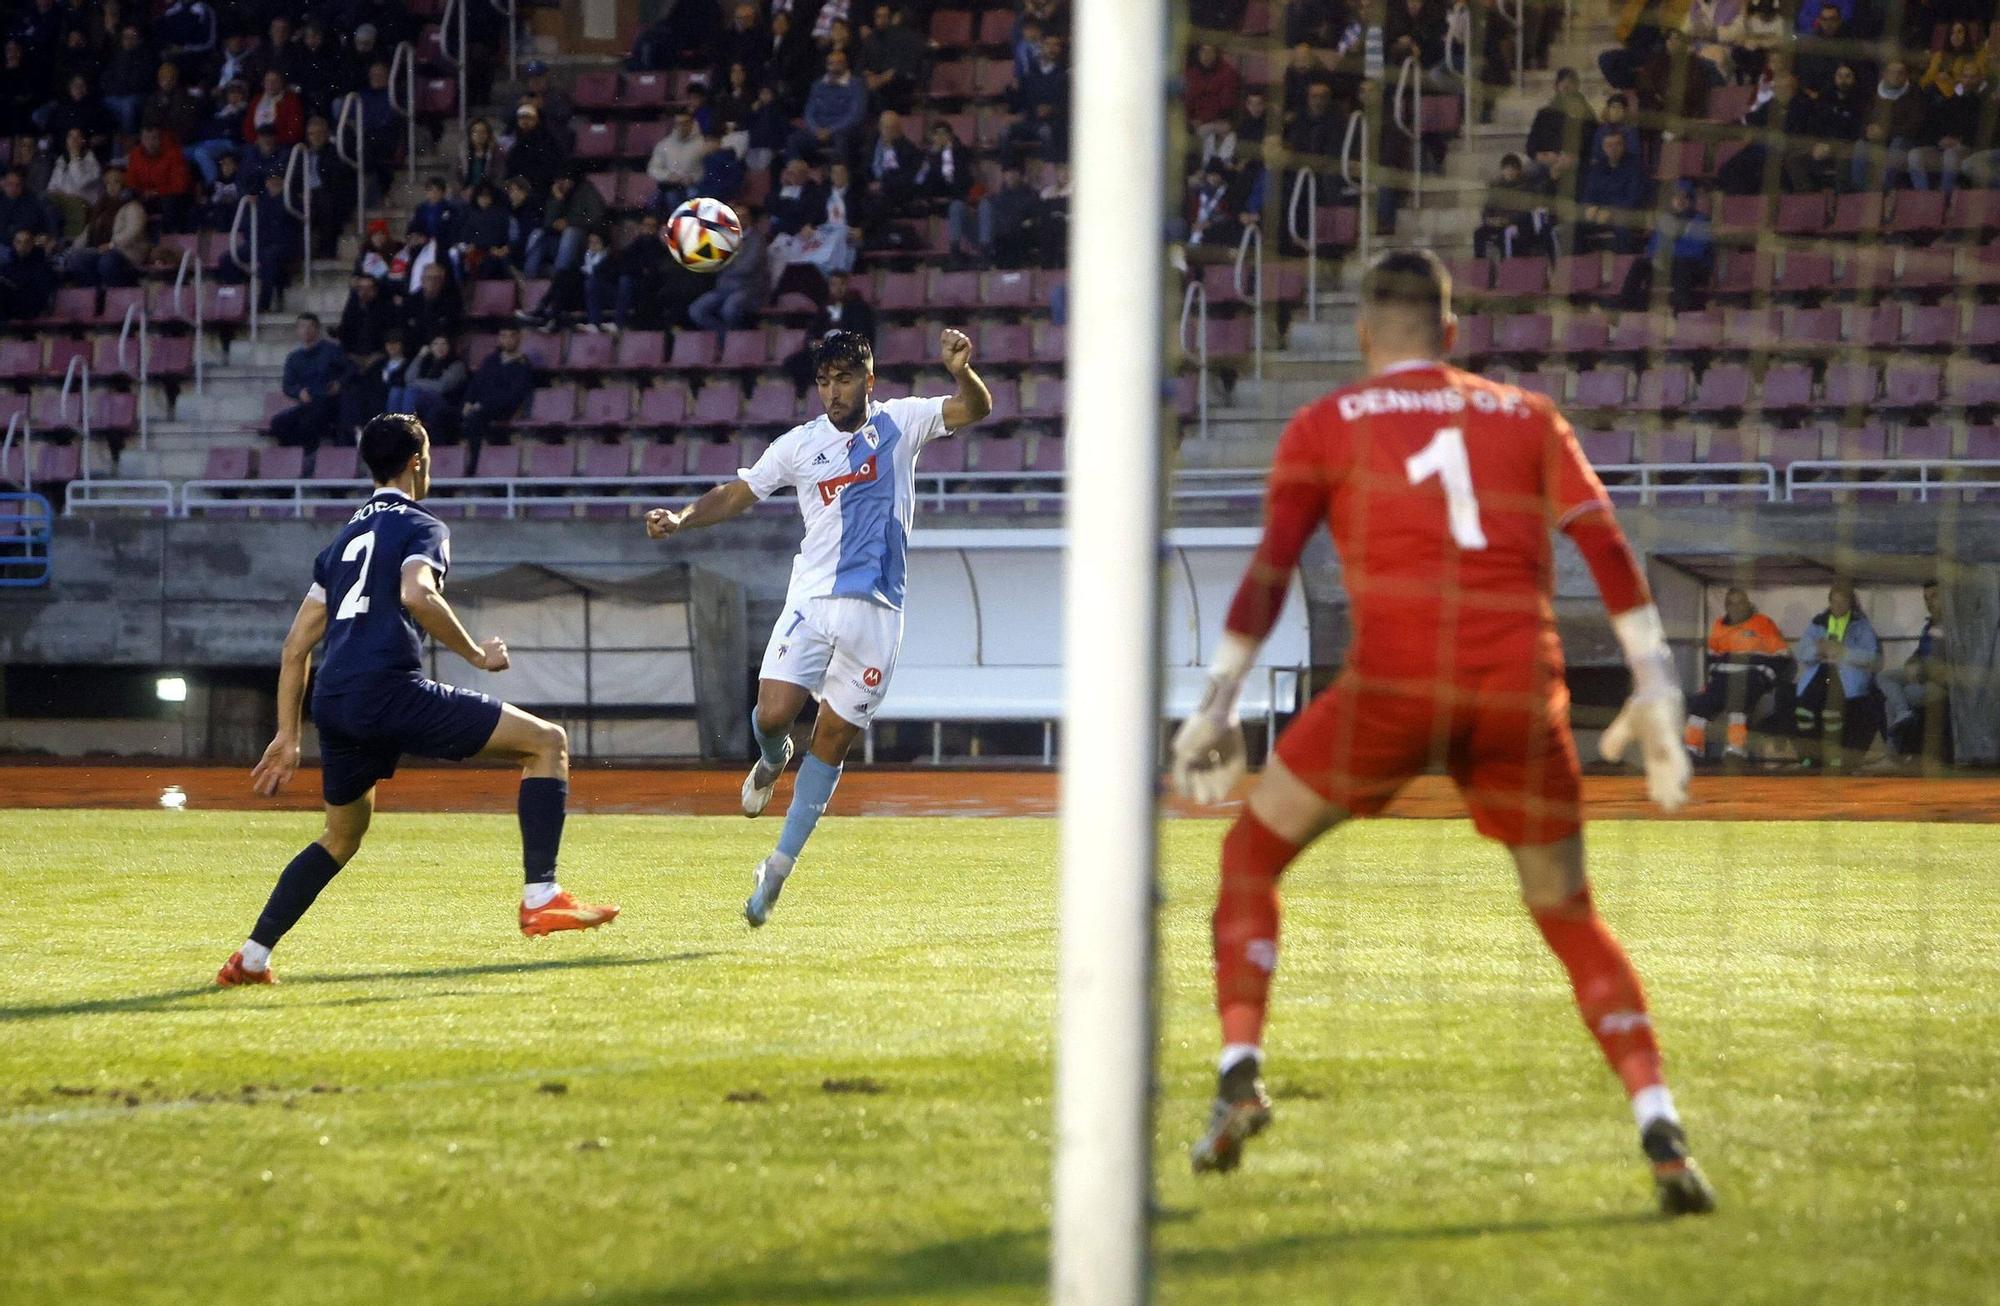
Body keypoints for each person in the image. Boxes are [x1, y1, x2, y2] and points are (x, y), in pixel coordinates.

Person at [1168, 249, 1715, 1216]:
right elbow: (1606, 542)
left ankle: (1240, 1073)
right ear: (1454, 333)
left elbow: (1269, 569)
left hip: (1390, 688)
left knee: (1251, 857)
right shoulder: (1528, 416)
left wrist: (1219, 705)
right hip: (1517, 690)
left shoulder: (1325, 423)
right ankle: (1661, 1129)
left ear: (1365, 337)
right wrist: (1655, 683)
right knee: (1567, 915)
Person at [215, 414, 617, 986]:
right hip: (388, 689)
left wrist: (287, 734)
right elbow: (418, 594)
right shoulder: (421, 525)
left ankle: (250, 959)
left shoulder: (342, 541)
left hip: (335, 699)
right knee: (546, 744)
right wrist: (478, 654)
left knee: (341, 836)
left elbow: (295, 646)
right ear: (417, 462)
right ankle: (540, 895)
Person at [643, 328, 991, 925]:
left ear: (869, 380)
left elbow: (976, 408)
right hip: (812, 601)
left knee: (832, 740)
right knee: (774, 715)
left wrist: (961, 371)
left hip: (879, 612)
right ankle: (772, 756)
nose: (833, 392)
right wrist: (681, 517)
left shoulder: (903, 422)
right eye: (824, 381)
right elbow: (738, 493)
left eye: (844, 379)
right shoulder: (800, 444)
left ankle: (776, 869)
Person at [1682, 587, 1790, 760]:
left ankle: (1735, 750)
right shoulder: (1718, 625)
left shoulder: (1763, 623)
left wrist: (1764, 677)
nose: (1737, 607)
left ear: (1748, 604)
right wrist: (1714, 679)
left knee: (1737, 704)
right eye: (1732, 603)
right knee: (1699, 704)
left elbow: (1782, 656)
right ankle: (1692, 749)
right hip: (1722, 679)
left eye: (1741, 603)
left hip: (1751, 677)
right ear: (1726, 606)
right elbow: (1711, 657)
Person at [1790, 580, 1883, 768]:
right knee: (1803, 711)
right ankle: (1809, 755)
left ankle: (1832, 755)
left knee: (1832, 712)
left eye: (1842, 602)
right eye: (1834, 601)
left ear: (1850, 603)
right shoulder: (1818, 623)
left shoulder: (1860, 625)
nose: (1837, 606)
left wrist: (1843, 652)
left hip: (1845, 675)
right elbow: (1802, 652)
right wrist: (1818, 649)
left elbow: (1872, 657)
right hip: (1821, 670)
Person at [1880, 580, 1949, 761]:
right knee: (1884, 677)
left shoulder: (1954, 626)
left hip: (1940, 684)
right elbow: (1918, 653)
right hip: (1921, 677)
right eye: (1926, 598)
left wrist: (1922, 667)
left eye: (1934, 596)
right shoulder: (1929, 627)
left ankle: (1894, 755)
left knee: (1897, 698)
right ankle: (1897, 747)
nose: (1929, 602)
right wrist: (1912, 662)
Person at [782, 269, 876, 394]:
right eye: (833, 285)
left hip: (846, 352)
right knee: (795, 362)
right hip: (824, 351)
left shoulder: (859, 308)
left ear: (846, 285)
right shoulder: (823, 308)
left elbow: (862, 335)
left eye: (841, 284)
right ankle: (807, 395)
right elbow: (812, 333)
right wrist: (813, 343)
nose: (837, 288)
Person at [270, 312, 352, 454]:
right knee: (278, 423)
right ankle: (297, 455)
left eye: (310, 326)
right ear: (297, 331)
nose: (306, 330)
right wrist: (299, 392)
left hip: (329, 403)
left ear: (317, 329)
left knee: (308, 423)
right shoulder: (294, 358)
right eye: (302, 327)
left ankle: (309, 455)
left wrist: (339, 383)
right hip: (308, 403)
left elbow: (351, 370)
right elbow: (287, 385)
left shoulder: (331, 350)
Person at [457, 324, 535, 474]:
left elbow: (514, 395)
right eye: (504, 336)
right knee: (444, 416)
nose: (507, 340)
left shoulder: (523, 365)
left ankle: (473, 465)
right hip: (479, 407)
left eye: (511, 336)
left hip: (503, 409)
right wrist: (468, 401)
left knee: (474, 419)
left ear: (518, 338)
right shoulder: (491, 360)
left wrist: (481, 405)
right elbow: (476, 383)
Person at [688, 208, 769, 336]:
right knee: (696, 310)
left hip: (749, 288)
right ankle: (724, 338)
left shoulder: (757, 239)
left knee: (730, 309)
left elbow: (747, 267)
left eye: (742, 216)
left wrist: (724, 265)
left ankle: (737, 341)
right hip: (723, 289)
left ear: (749, 219)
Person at [386, 333, 466, 434]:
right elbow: (408, 378)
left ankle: (408, 431)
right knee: (396, 391)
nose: (439, 347)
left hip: (444, 401)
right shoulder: (426, 361)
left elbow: (441, 386)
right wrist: (419, 357)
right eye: (435, 344)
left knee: (412, 391)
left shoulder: (456, 364)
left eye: (444, 344)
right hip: (420, 399)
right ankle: (393, 430)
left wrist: (417, 383)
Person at [647, 108, 708, 215]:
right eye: (678, 124)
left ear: (692, 123)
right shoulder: (664, 145)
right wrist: (669, 176)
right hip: (670, 186)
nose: (682, 127)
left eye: (685, 123)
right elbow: (653, 169)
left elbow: (706, 170)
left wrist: (693, 178)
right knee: (655, 201)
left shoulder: (703, 145)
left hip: (696, 187)